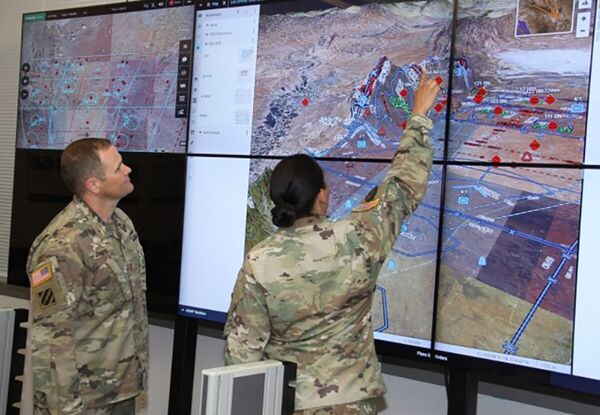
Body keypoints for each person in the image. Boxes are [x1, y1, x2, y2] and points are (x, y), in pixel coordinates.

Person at [224, 71, 440, 414]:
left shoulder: (259, 260)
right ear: (321, 197)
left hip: (288, 403)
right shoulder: (357, 237)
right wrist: (419, 116)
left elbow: (242, 352)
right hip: (351, 403)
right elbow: (402, 189)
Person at [26, 138, 148, 414]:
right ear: (94, 184)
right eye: (118, 168)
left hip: (123, 390)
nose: (128, 169)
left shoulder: (122, 224)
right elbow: (51, 339)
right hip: (82, 401)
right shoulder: (59, 247)